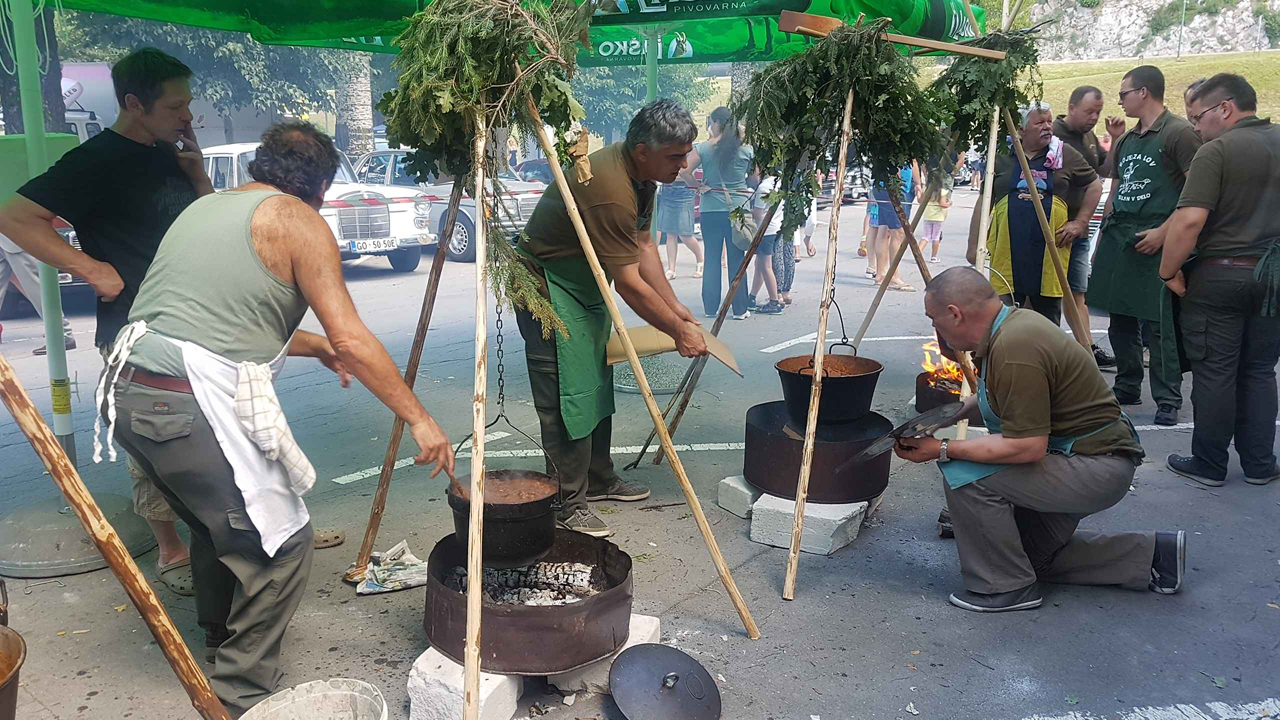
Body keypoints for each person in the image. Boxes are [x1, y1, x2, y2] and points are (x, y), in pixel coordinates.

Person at [94, 121, 456, 715]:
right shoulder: (297, 220)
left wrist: (317, 347)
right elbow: (352, 335)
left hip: (130, 391)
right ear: (321, 186)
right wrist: (421, 420)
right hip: (184, 402)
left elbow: (221, 317)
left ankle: (219, 635)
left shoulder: (207, 209)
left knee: (218, 524)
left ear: (261, 167)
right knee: (282, 543)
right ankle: (240, 694)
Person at [0, 48, 211, 596]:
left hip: (195, 320)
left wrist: (198, 174)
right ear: (134, 103)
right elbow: (15, 216)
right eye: (174, 106)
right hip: (134, 329)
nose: (187, 116)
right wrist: (91, 269)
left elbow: (206, 221)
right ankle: (172, 551)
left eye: (187, 103)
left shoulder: (172, 153)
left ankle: (240, 536)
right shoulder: (95, 160)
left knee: (220, 433)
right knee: (153, 441)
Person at [895, 267, 1182, 612]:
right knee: (1027, 558)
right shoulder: (1010, 327)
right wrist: (946, 417)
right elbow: (996, 400)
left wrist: (940, 448)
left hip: (1096, 466)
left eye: (934, 319)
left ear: (955, 314)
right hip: (1086, 457)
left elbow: (1026, 446)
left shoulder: (1015, 347)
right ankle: (1153, 556)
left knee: (964, 472)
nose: (934, 328)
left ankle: (1005, 588)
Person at [517, 100, 709, 538]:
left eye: (686, 154)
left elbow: (644, 247)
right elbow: (628, 283)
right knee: (568, 391)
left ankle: (599, 478)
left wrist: (675, 307)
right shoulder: (610, 188)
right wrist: (676, 331)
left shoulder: (644, 179)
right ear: (643, 151)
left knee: (596, 384)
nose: (684, 165)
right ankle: (566, 502)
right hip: (548, 286)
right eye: (675, 156)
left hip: (585, 285)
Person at [1160, 73, 1280, 488]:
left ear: (1225, 108)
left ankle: (1209, 463)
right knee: (1260, 371)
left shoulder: (1217, 151)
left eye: (1197, 117)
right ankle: (1260, 464)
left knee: (1216, 372)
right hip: (1274, 276)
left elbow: (1189, 220)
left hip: (1221, 275)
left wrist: (1168, 270)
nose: (1195, 127)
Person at [1089, 66, 1201, 427]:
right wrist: (1103, 237)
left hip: (1159, 234)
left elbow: (1197, 193)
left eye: (1124, 93)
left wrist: (1165, 233)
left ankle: (1168, 397)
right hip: (1121, 234)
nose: (1120, 100)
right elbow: (1116, 189)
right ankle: (1127, 385)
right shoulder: (1126, 140)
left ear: (1144, 92)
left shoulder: (1178, 133)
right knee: (1119, 317)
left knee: (1159, 322)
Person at [970, 102, 1102, 326]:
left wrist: (1080, 222)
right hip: (1007, 251)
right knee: (1005, 318)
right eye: (1040, 122)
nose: (1048, 127)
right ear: (1021, 129)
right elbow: (984, 200)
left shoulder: (1063, 153)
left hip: (1050, 253)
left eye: (1049, 121)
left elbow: (1094, 185)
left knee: (1046, 321)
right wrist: (974, 245)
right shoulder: (1001, 156)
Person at [1053, 85, 1118, 370]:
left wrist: (1115, 139)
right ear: (1072, 107)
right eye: (1090, 111)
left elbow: (1105, 171)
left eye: (1098, 112)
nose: (1094, 118)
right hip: (1054, 229)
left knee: (1078, 291)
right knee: (1047, 294)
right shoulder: (1053, 135)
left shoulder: (1089, 137)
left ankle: (1087, 348)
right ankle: (1046, 351)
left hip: (1080, 228)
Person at [682, 106, 755, 320]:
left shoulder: (704, 148)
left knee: (712, 258)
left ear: (715, 123)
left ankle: (710, 307)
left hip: (710, 209)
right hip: (738, 210)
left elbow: (685, 171)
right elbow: (755, 180)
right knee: (737, 259)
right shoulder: (746, 149)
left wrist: (698, 186)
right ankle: (739, 308)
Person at [0, 232, 76, 354]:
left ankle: (61, 335)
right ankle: (61, 335)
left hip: (13, 236)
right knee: (38, 288)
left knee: (38, 289)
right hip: (8, 237)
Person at [870, 162, 920, 292]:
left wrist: (918, 184)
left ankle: (881, 275)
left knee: (884, 230)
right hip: (892, 188)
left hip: (884, 187)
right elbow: (908, 161)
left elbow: (913, 161)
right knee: (898, 232)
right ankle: (894, 277)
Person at [748, 168, 785, 314]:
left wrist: (745, 209)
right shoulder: (778, 182)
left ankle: (774, 302)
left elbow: (758, 214)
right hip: (776, 228)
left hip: (766, 230)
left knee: (765, 266)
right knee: (759, 264)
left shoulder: (763, 187)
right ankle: (752, 297)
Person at [655, 178, 703, 279]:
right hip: (667, 191)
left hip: (685, 191)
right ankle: (671, 269)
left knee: (685, 234)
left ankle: (700, 260)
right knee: (670, 233)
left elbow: (688, 173)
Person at [921, 172, 953, 263]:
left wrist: (919, 192)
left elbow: (920, 201)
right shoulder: (942, 191)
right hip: (938, 218)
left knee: (926, 236)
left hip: (928, 216)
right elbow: (943, 204)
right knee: (936, 237)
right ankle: (934, 257)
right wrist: (949, 203)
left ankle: (918, 252)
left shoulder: (927, 190)